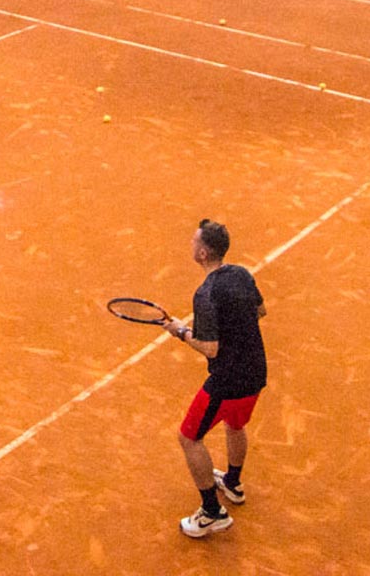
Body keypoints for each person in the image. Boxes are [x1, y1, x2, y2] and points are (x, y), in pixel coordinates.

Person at [162, 218, 267, 539]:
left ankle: (212, 511)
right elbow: (260, 311)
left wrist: (180, 331)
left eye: (194, 242)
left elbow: (210, 348)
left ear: (204, 253)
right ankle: (232, 484)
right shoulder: (241, 273)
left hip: (227, 381)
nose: (191, 246)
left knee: (189, 438)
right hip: (256, 372)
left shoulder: (206, 293)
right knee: (235, 425)